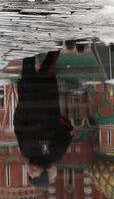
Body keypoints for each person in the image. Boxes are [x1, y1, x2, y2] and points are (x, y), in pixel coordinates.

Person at [13, 51, 73, 185]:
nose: (30, 171)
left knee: (27, 61)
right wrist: (55, 118)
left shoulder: (25, 152)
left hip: (27, 100)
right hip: (47, 97)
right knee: (48, 64)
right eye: (34, 174)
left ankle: (28, 37)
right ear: (44, 172)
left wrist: (20, 113)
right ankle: (57, 38)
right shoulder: (54, 154)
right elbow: (68, 131)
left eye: (30, 173)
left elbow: (18, 129)